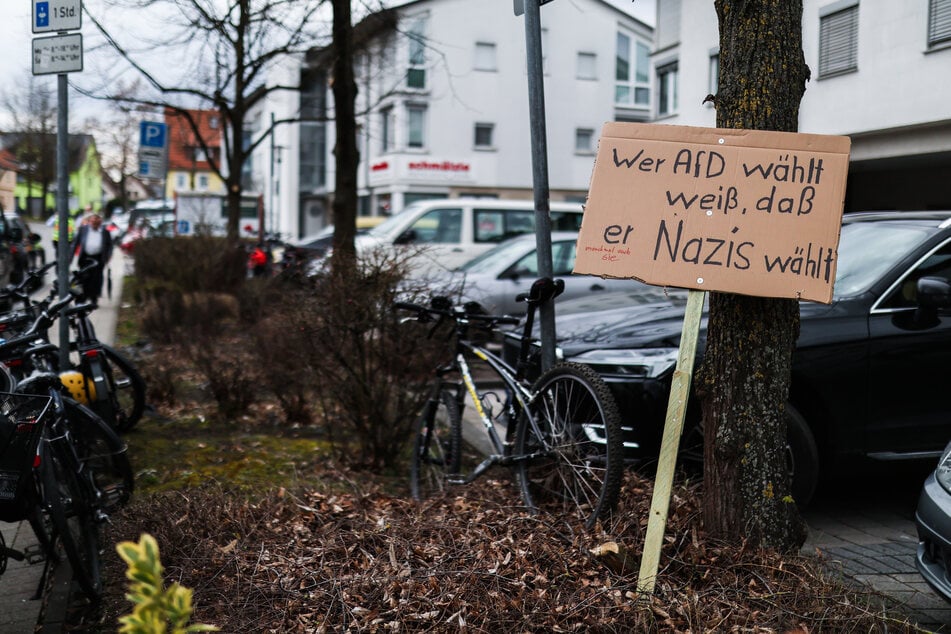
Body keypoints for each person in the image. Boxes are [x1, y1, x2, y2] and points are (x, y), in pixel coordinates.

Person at [71, 213, 113, 305]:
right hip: (85, 257)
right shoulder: (83, 230)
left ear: (100, 223)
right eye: (93, 221)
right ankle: (84, 297)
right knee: (84, 278)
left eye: (97, 222)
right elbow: (75, 243)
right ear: (90, 221)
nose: (94, 224)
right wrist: (70, 258)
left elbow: (110, 245)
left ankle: (94, 298)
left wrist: (108, 256)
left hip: (98, 258)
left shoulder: (105, 232)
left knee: (96, 279)